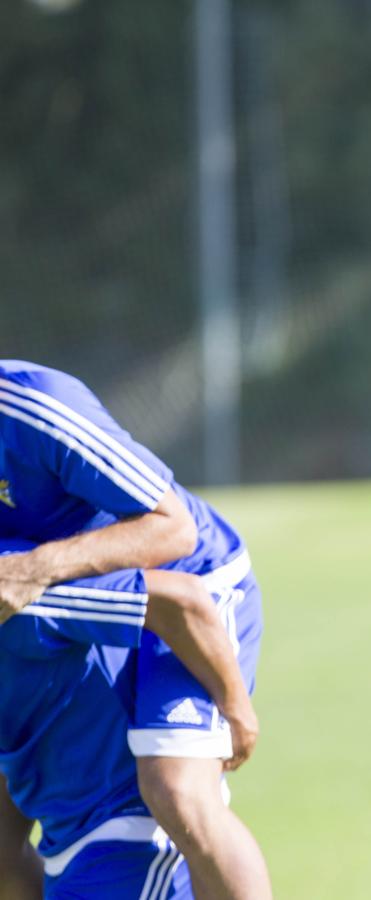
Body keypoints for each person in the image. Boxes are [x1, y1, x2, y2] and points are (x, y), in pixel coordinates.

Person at [0, 361, 269, 899]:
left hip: (190, 578)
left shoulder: (34, 405)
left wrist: (235, 705)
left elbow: (174, 531)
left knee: (178, 793)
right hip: (80, 594)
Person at [0, 539, 254, 898]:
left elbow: (181, 599)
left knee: (183, 795)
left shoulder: (23, 592)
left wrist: (235, 707)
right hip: (70, 834)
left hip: (126, 835)